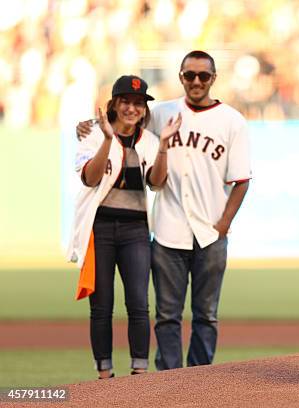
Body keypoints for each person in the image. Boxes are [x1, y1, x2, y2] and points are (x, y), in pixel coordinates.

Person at [76, 51, 252, 370]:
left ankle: (198, 380)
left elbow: (241, 180)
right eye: (189, 75)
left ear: (213, 79)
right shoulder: (161, 112)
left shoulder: (233, 121)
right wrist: (88, 125)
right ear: (180, 76)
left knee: (206, 316)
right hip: (169, 229)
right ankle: (168, 382)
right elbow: (123, 119)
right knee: (166, 316)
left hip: (211, 232)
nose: (196, 81)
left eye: (203, 76)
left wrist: (224, 223)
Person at [67, 75, 181, 378]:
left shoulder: (151, 140)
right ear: (114, 105)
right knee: (101, 306)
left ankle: (138, 373)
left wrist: (165, 146)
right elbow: (90, 178)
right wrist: (106, 139)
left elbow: (156, 183)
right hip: (100, 228)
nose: (132, 108)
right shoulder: (92, 133)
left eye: (138, 103)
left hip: (135, 232)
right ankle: (104, 373)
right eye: (126, 102)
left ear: (144, 109)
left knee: (138, 303)